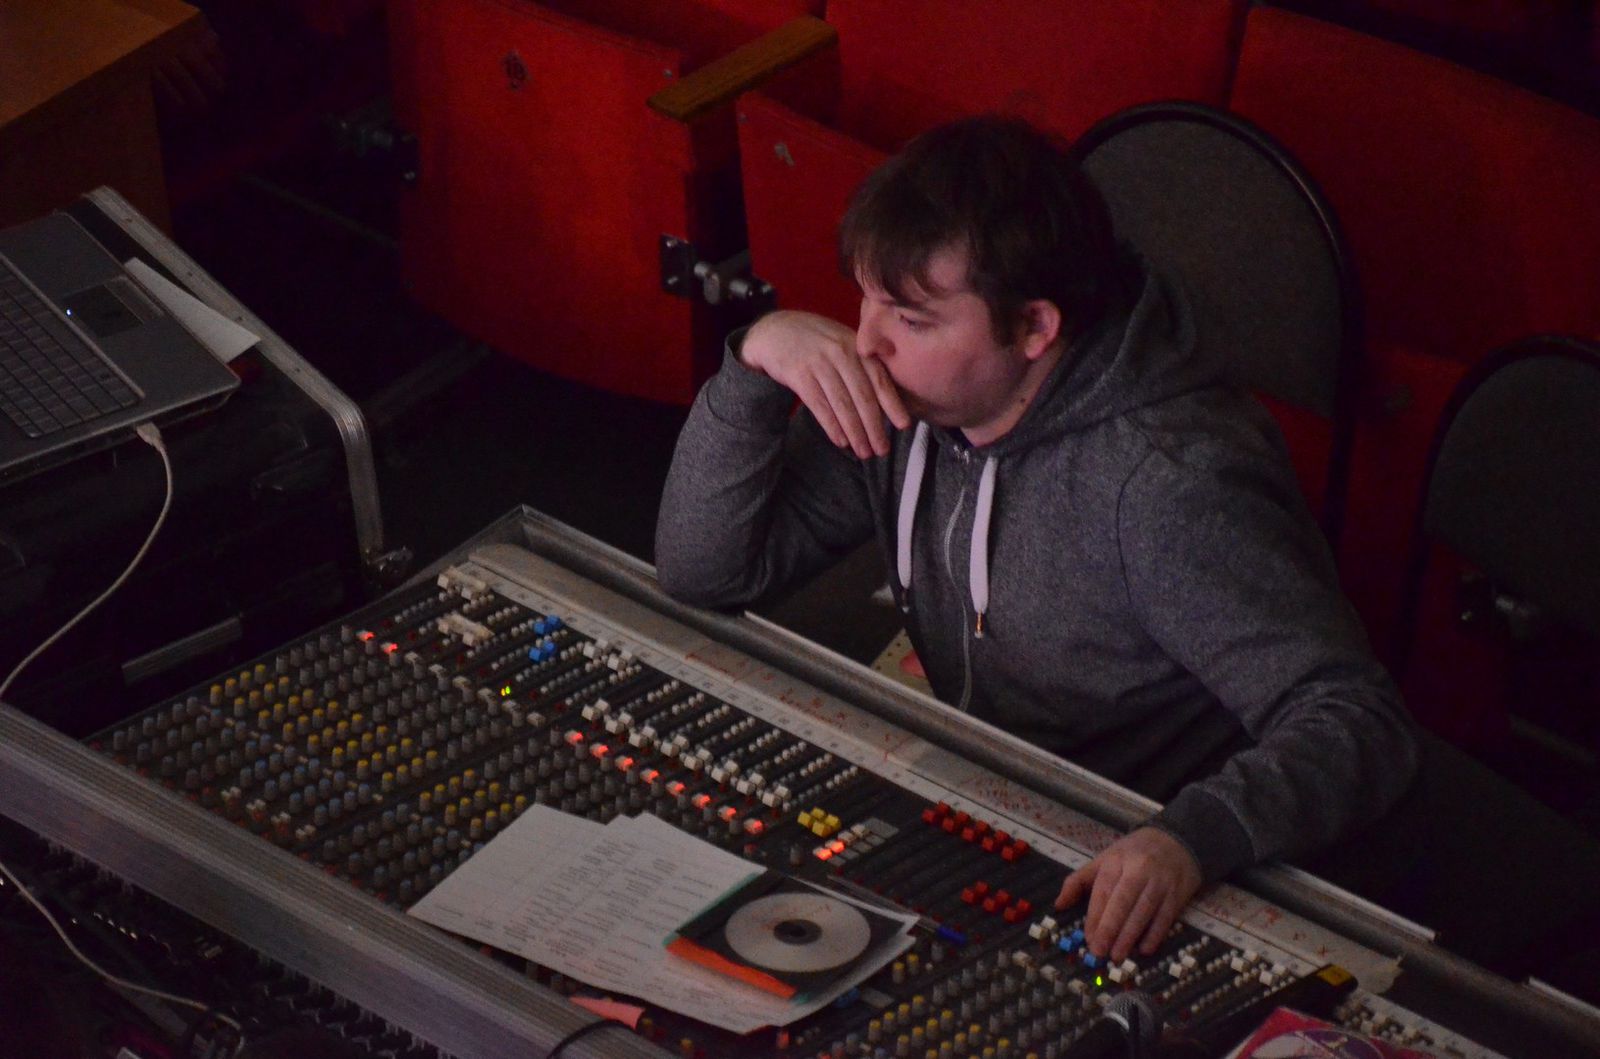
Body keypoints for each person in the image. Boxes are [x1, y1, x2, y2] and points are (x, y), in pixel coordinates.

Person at [653, 115, 1418, 967]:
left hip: (1145, 860)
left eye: (910, 317)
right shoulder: (907, 401)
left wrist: (1191, 838)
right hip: (998, 799)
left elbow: (1358, 719)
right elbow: (702, 571)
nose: (865, 341)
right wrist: (756, 364)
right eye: (865, 298)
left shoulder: (1165, 485)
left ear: (1034, 329)